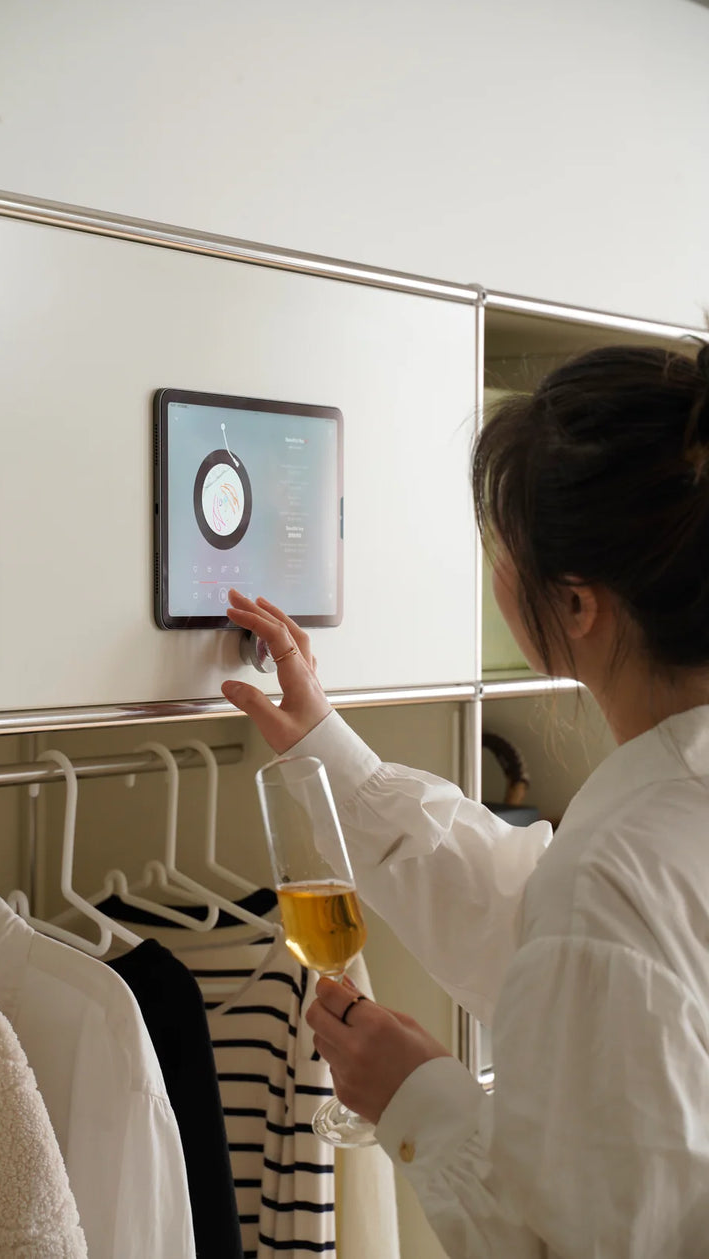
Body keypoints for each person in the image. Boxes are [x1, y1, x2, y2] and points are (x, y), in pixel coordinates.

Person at [220, 342, 709, 1259]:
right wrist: (332, 753)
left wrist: (421, 1098)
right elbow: (533, 919)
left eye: (502, 546)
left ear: (574, 605)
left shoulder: (616, 873)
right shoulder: (646, 836)